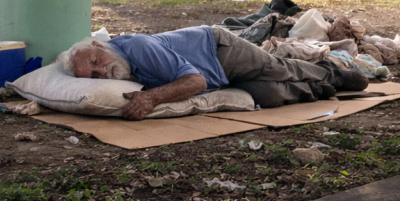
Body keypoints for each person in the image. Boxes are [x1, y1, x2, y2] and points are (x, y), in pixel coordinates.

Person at [59, 25, 367, 120]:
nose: (103, 71)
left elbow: (196, 81)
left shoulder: (137, 47)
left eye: (98, 60)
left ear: (102, 45)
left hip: (220, 50)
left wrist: (150, 97)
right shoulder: (118, 73)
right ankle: (320, 90)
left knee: (280, 69)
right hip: (217, 76)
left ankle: (332, 73)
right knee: (269, 95)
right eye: (94, 75)